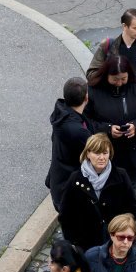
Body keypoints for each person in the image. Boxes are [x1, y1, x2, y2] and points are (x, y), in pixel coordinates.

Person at [84, 56, 136, 193]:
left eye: (123, 79)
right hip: (105, 155)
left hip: (133, 154)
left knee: (131, 190)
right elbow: (85, 120)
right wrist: (107, 129)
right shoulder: (94, 91)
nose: (119, 83)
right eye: (115, 79)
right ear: (106, 75)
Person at [59, 133, 136, 252]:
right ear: (88, 154)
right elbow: (65, 215)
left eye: (105, 153)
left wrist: (122, 235)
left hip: (115, 243)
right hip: (85, 245)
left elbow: (131, 208)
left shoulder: (121, 176)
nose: (102, 157)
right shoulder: (75, 179)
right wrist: (74, 242)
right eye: (97, 153)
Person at [47, 77, 97, 211]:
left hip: (59, 184)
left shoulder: (62, 114)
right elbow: (95, 152)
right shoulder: (78, 131)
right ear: (86, 97)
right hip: (71, 191)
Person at [87, 9, 136, 85]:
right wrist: (111, 79)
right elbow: (91, 74)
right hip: (113, 92)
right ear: (124, 26)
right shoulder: (108, 45)